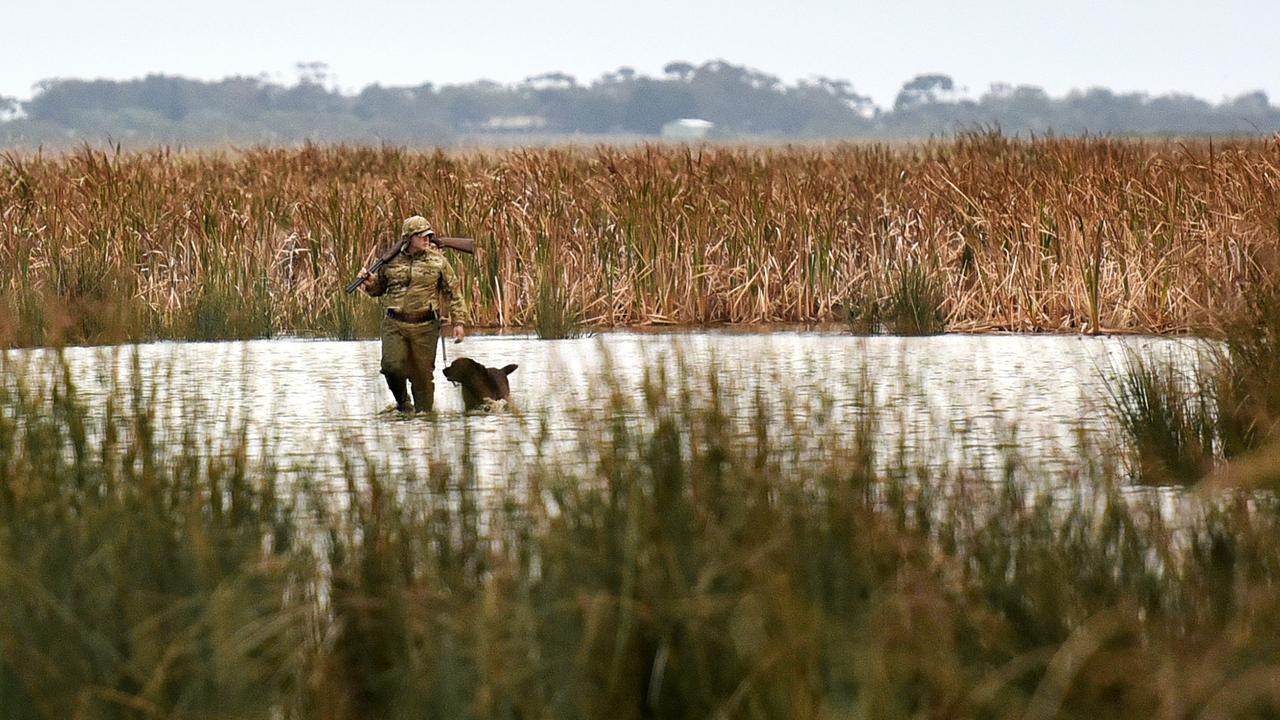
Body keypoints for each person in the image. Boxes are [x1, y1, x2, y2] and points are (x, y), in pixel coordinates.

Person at [357, 215, 467, 412]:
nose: (427, 240)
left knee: (422, 377)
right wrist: (369, 284)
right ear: (408, 238)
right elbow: (379, 289)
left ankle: (424, 421)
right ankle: (403, 403)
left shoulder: (438, 261)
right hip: (395, 324)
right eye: (422, 236)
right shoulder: (389, 261)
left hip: (425, 327)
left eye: (429, 236)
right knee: (391, 367)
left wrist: (459, 322)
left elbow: (454, 292)